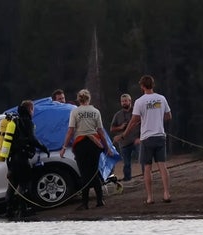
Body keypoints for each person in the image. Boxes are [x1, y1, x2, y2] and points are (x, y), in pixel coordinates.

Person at [117, 75, 172, 205]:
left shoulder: (140, 101)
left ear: (142, 86)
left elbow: (133, 120)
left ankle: (150, 197)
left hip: (147, 138)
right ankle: (166, 193)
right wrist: (157, 118)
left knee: (147, 168)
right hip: (160, 135)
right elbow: (169, 116)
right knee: (162, 166)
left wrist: (124, 134)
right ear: (153, 85)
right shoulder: (161, 98)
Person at [60, 89, 114, 210]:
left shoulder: (75, 112)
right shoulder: (96, 112)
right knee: (94, 172)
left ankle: (85, 203)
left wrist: (64, 147)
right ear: (89, 99)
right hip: (94, 145)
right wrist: (107, 148)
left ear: (79, 99)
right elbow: (101, 132)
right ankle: (100, 200)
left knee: (84, 174)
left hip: (80, 145)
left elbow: (70, 131)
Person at [5, 100, 50, 219]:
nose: (33, 112)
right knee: (25, 184)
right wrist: (44, 148)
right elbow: (32, 139)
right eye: (33, 110)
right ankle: (23, 210)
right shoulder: (27, 122)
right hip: (21, 158)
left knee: (12, 186)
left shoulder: (14, 121)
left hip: (11, 159)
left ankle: (9, 211)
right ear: (30, 109)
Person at [110, 93, 141, 182]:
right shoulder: (118, 115)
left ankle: (145, 176)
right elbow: (112, 128)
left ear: (130, 101)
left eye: (125, 101)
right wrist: (120, 127)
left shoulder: (136, 112)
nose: (124, 103)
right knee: (126, 163)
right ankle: (127, 179)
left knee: (143, 159)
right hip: (124, 142)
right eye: (122, 101)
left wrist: (140, 137)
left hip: (137, 140)